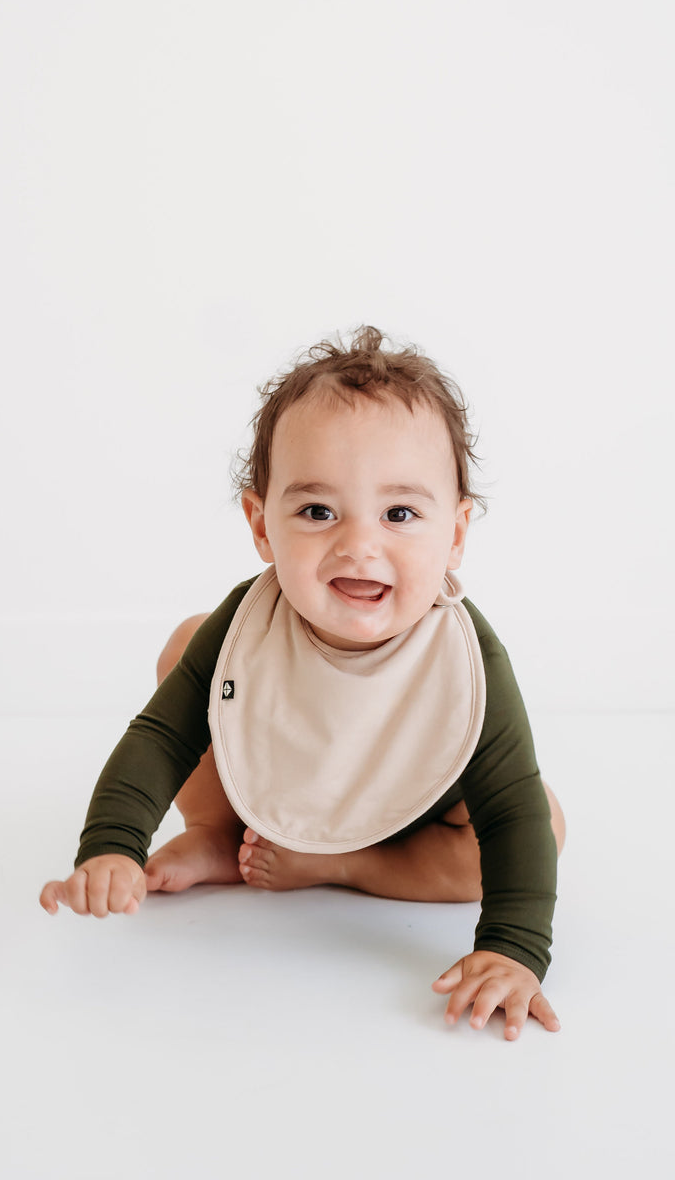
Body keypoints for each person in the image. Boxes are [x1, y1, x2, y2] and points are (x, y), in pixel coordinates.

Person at [39, 326, 566, 1041]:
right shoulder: (247, 626)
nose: (359, 544)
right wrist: (111, 843)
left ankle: (345, 865)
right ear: (262, 524)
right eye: (318, 511)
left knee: (546, 821)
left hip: (410, 814)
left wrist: (513, 948)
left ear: (456, 533)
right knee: (189, 643)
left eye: (400, 513)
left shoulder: (465, 656)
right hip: (285, 769)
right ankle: (219, 834)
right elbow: (163, 736)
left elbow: (509, 811)